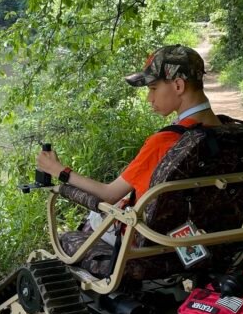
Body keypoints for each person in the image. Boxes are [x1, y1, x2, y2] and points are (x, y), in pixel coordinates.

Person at [36, 44, 221, 208]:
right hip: (208, 236)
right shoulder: (232, 133)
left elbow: (109, 195)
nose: (150, 98)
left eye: (153, 88)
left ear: (178, 86)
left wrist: (58, 170)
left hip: (144, 241)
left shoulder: (169, 140)